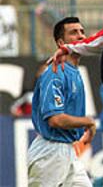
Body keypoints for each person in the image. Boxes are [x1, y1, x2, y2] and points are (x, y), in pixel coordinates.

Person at [28, 17, 96, 186]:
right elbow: (55, 119)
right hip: (50, 152)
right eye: (74, 33)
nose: (81, 36)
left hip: (67, 150)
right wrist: (87, 121)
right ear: (60, 43)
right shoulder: (55, 73)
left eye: (82, 31)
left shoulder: (74, 71)